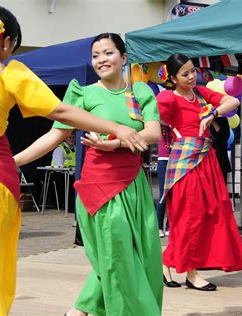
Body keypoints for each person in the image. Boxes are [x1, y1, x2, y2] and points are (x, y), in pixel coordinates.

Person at [0, 7, 146, 316]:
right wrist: (116, 127)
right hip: (0, 179)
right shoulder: (11, 73)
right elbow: (60, 112)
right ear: (7, 43)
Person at [14, 33, 163, 316]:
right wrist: (13, 162)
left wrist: (117, 143)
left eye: (108, 53)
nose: (101, 60)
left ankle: (78, 313)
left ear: (123, 58)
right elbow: (54, 135)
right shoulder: (82, 93)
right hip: (101, 191)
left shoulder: (140, 93)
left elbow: (152, 133)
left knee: (143, 260)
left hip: (135, 188)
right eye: (95, 55)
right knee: (117, 260)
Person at [157, 53, 242, 291]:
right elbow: (154, 120)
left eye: (192, 71)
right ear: (173, 77)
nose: (191, 76)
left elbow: (234, 102)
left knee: (211, 213)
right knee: (189, 215)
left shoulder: (200, 93)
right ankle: (190, 273)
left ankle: (167, 263)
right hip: (184, 163)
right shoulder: (168, 98)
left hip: (206, 161)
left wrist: (213, 113)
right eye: (184, 73)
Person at [51, 132, 76, 211]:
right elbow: (59, 166)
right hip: (59, 173)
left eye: (73, 137)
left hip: (72, 173)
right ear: (65, 138)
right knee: (70, 180)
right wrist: (72, 173)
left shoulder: (76, 148)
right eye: (70, 137)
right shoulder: (59, 149)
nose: (72, 139)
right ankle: (70, 206)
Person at [156, 124, 171, 238]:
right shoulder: (161, 120)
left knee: (174, 194)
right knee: (163, 194)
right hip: (163, 159)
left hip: (177, 157)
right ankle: (159, 226)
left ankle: (169, 226)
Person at [209, 116, 232, 183]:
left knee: (221, 184)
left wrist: (213, 121)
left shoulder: (222, 120)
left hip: (220, 160)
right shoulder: (200, 121)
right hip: (205, 159)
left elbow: (224, 136)